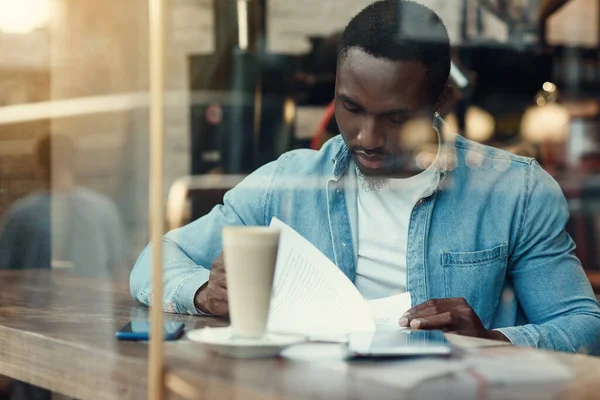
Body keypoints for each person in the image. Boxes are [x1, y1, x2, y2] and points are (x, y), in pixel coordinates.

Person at [130, 0, 600, 353]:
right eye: (349, 108)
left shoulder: (515, 192)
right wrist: (201, 293)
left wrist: (492, 340)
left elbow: (583, 324)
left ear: (440, 103)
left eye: (396, 118)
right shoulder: (289, 182)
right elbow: (154, 261)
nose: (367, 137)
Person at [0, 133, 128, 280]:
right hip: (94, 301)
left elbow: (5, 275)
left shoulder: (20, 215)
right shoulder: (103, 208)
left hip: (36, 302)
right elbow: (120, 270)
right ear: (75, 161)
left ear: (38, 164)